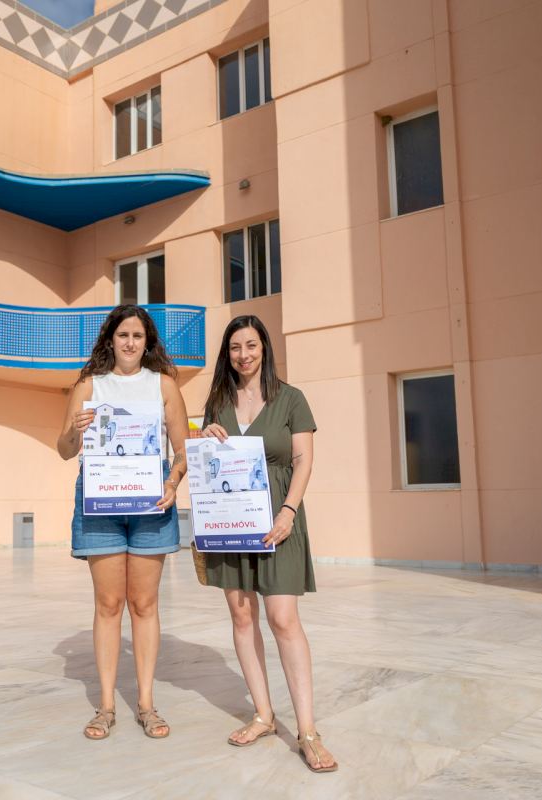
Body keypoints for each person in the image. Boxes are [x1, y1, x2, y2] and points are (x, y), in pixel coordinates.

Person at [200, 314, 338, 773]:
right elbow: (206, 461)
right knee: (242, 616)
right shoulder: (218, 401)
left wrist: (289, 511)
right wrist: (206, 437)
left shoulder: (291, 398)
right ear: (228, 354)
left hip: (279, 520)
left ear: (264, 348)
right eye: (235, 347)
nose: (243, 355)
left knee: (283, 618)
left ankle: (308, 730)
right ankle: (263, 714)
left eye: (251, 345)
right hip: (231, 521)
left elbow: (303, 461)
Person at [57, 304, 188, 741]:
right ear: (110, 340)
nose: (130, 343)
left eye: (138, 335)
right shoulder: (89, 385)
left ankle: (146, 704)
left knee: (145, 604)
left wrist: (172, 482)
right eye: (123, 335)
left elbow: (182, 449)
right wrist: (75, 430)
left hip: (151, 501)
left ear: (147, 342)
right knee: (108, 604)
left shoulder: (163, 385)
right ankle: (107, 706)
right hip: (101, 502)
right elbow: (65, 449)